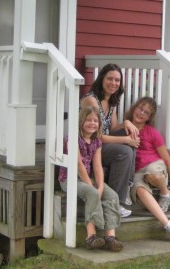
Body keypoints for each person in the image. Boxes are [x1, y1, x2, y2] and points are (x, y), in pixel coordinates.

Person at [57, 106, 124, 251]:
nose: (92, 123)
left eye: (95, 121)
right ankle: (91, 237)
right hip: (70, 179)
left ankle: (110, 237)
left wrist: (100, 186)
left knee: (112, 195)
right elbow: (78, 164)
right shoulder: (73, 139)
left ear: (99, 124)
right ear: (81, 121)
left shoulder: (96, 141)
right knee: (92, 193)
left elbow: (98, 166)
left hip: (88, 177)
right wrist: (92, 187)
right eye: (88, 120)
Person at [80, 63, 140, 218]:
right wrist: (126, 140)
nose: (114, 83)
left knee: (131, 135)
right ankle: (114, 202)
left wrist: (127, 123)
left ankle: (127, 184)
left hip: (103, 144)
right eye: (110, 79)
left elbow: (113, 128)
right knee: (126, 150)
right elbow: (97, 135)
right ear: (102, 79)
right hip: (90, 145)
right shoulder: (91, 100)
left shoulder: (111, 100)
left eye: (117, 80)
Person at [125, 97, 170, 242]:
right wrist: (127, 122)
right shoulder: (125, 129)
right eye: (140, 108)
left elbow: (168, 161)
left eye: (146, 113)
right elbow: (114, 130)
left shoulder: (152, 132)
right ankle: (169, 226)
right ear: (134, 108)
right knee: (139, 189)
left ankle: (165, 194)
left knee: (153, 173)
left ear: (149, 117)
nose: (141, 113)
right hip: (137, 171)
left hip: (155, 167)